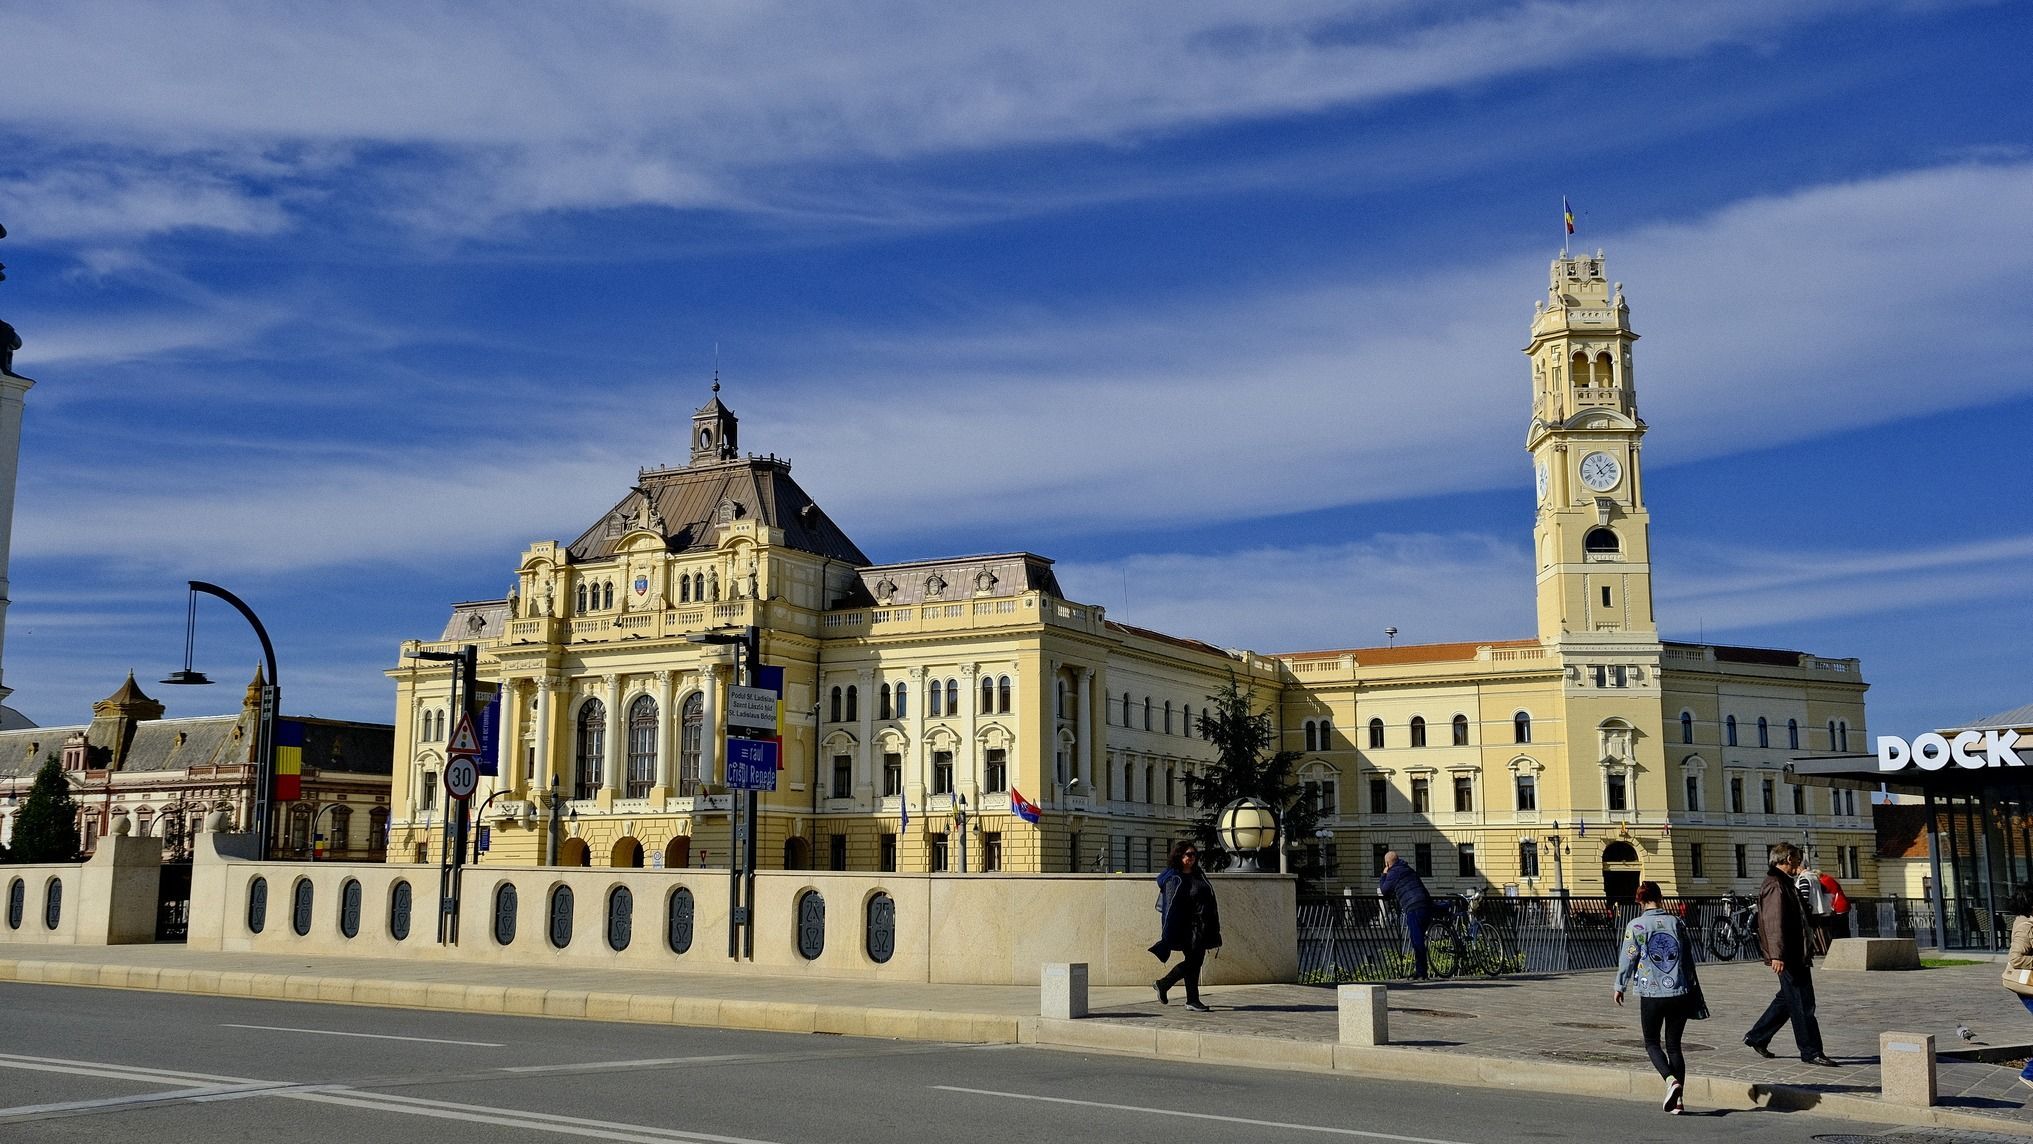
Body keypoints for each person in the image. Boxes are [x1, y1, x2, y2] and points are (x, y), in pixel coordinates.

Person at [1743, 841, 1838, 1066]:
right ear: (1787, 860)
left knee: (1788, 998)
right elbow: (1773, 922)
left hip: (1794, 952)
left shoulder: (1784, 883)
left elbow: (1798, 915)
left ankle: (1757, 1037)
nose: (1799, 863)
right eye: (1796, 859)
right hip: (1789, 954)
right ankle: (1811, 1051)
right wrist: (1776, 955)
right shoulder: (1776, 885)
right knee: (1803, 1002)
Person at [1615, 881, 1703, 1114]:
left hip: (1651, 992)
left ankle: (1669, 1080)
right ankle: (1679, 1100)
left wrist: (1620, 985)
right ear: (1660, 898)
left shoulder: (1636, 926)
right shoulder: (1677, 923)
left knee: (1652, 1042)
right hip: (1679, 991)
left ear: (1640, 901)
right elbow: (1687, 956)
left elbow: (1629, 957)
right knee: (1674, 1046)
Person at [1151, 840, 1221, 1012]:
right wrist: (1169, 932)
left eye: (1194, 855)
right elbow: (1169, 907)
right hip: (1188, 928)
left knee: (1195, 962)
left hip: (1204, 925)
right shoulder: (1174, 878)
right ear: (1180, 856)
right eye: (1188, 855)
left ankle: (1191, 999)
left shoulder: (1198, 874)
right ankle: (1165, 984)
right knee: (1194, 962)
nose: (1192, 858)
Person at [1378, 850, 1436, 981]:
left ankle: (1421, 972)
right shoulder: (1408, 869)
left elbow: (1384, 890)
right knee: (1420, 938)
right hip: (1426, 903)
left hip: (1413, 906)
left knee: (1417, 940)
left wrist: (1383, 875)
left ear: (1387, 863)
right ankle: (1421, 970)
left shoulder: (1393, 873)